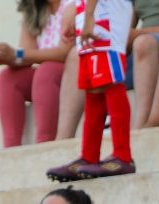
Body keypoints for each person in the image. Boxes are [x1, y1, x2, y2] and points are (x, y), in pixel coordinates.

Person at [56, 0, 159, 137]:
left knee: (143, 43)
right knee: (78, 55)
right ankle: (62, 140)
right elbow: (124, 24)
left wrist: (139, 33)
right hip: (141, 48)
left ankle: (141, 131)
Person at [47, 0, 136, 181]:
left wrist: (88, 15)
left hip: (104, 11)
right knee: (93, 86)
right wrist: (78, 12)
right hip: (90, 9)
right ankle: (89, 156)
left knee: (110, 81)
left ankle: (123, 155)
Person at [0, 0, 72, 147]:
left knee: (46, 71)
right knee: (8, 77)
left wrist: (16, 54)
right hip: (46, 82)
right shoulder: (34, 7)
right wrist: (5, 58)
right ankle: (11, 150)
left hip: (73, 76)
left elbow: (64, 53)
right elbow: (26, 54)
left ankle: (45, 144)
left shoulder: (72, 4)